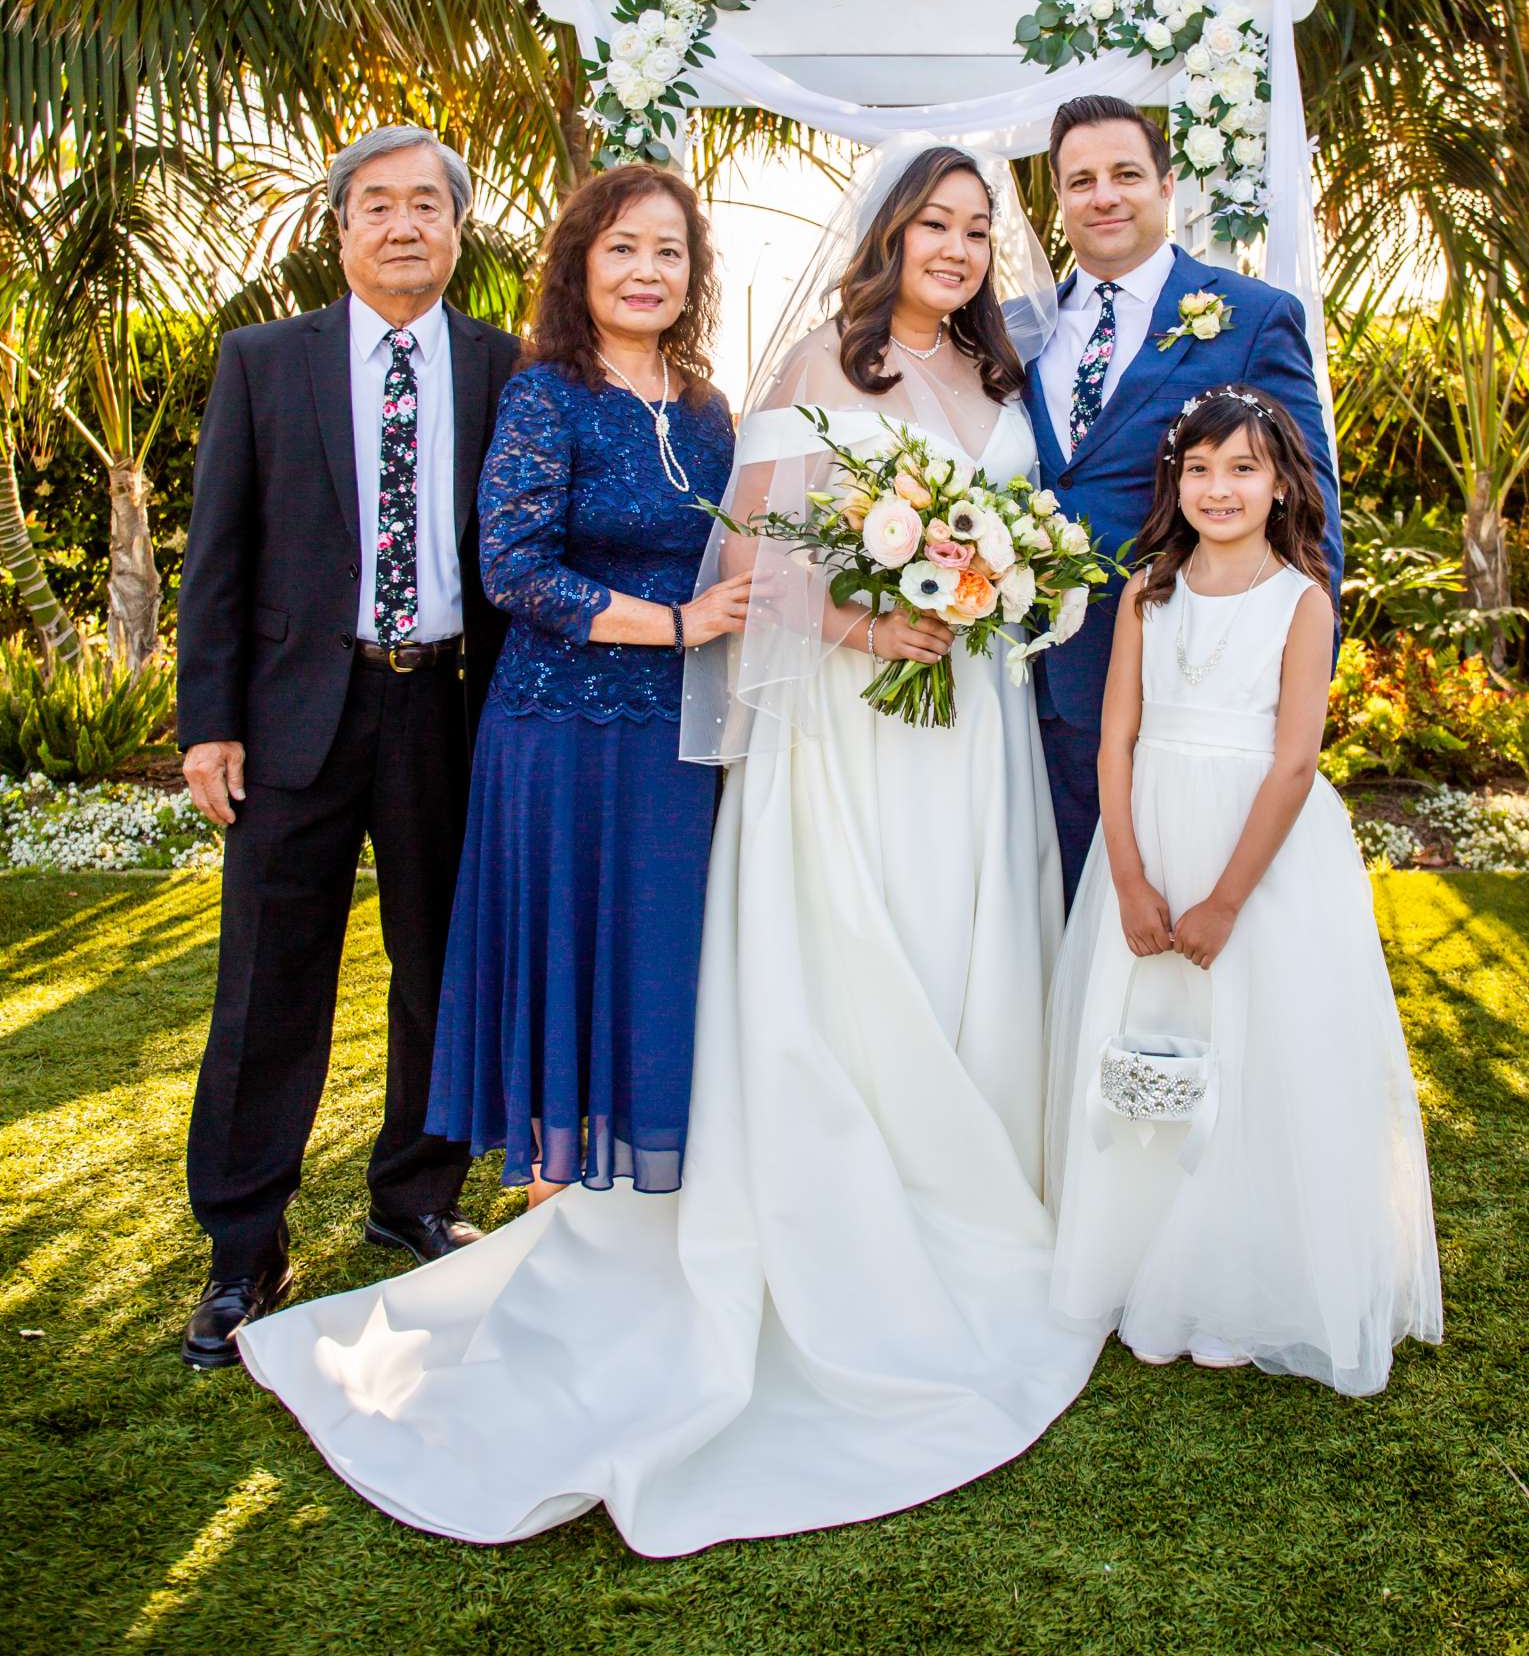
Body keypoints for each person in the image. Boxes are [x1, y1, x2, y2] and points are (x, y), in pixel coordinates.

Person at [237, 143, 1104, 1552]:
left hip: (953, 728)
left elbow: (763, 549)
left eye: (973, 226)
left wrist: (983, 584)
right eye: (928, 222)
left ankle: (961, 1194)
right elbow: (704, 564)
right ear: (883, 234)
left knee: (926, 945)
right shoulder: (693, 376)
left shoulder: (860, 391)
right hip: (686, 718)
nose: (952, 244)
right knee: (817, 961)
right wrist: (854, 620)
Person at [176, 126, 521, 1369]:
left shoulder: (502, 365)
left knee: (442, 962)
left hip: (448, 708)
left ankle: (414, 1196)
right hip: (289, 717)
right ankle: (241, 1243)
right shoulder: (265, 362)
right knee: (270, 979)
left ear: (456, 227)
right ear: (339, 229)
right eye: (375, 205)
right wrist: (207, 721)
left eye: (426, 204)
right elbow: (215, 556)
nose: (401, 226)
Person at [1045, 385, 1441, 1393]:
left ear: (1279, 485)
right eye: (1198, 468)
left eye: (1241, 469)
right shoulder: (1146, 593)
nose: (1217, 487)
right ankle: (1137, 1267)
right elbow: (1116, 738)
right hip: (1152, 836)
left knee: (1256, 1047)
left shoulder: (1302, 601)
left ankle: (1235, 1282)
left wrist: (1223, 899)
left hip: (1257, 855)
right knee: (1147, 1048)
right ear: (1174, 484)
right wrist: (1130, 877)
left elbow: (1295, 763)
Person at [425, 166, 744, 1203]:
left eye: (668, 251)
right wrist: (678, 625)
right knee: (568, 956)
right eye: (622, 247)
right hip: (560, 727)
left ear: (694, 275)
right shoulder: (543, 390)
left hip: (677, 738)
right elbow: (513, 569)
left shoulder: (708, 410)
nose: (646, 270)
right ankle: (553, 1203)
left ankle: (657, 1199)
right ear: (578, 264)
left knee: (658, 957)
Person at [1023, 94, 1342, 905]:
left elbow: (1310, 504)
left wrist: (1297, 676)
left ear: (1167, 186)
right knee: (1054, 921)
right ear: (1058, 200)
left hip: (1182, 687)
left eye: (1126, 174)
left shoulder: (1249, 317)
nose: (1104, 195)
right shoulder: (1015, 328)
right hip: (1023, 681)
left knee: (1184, 914)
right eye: (1080, 180)